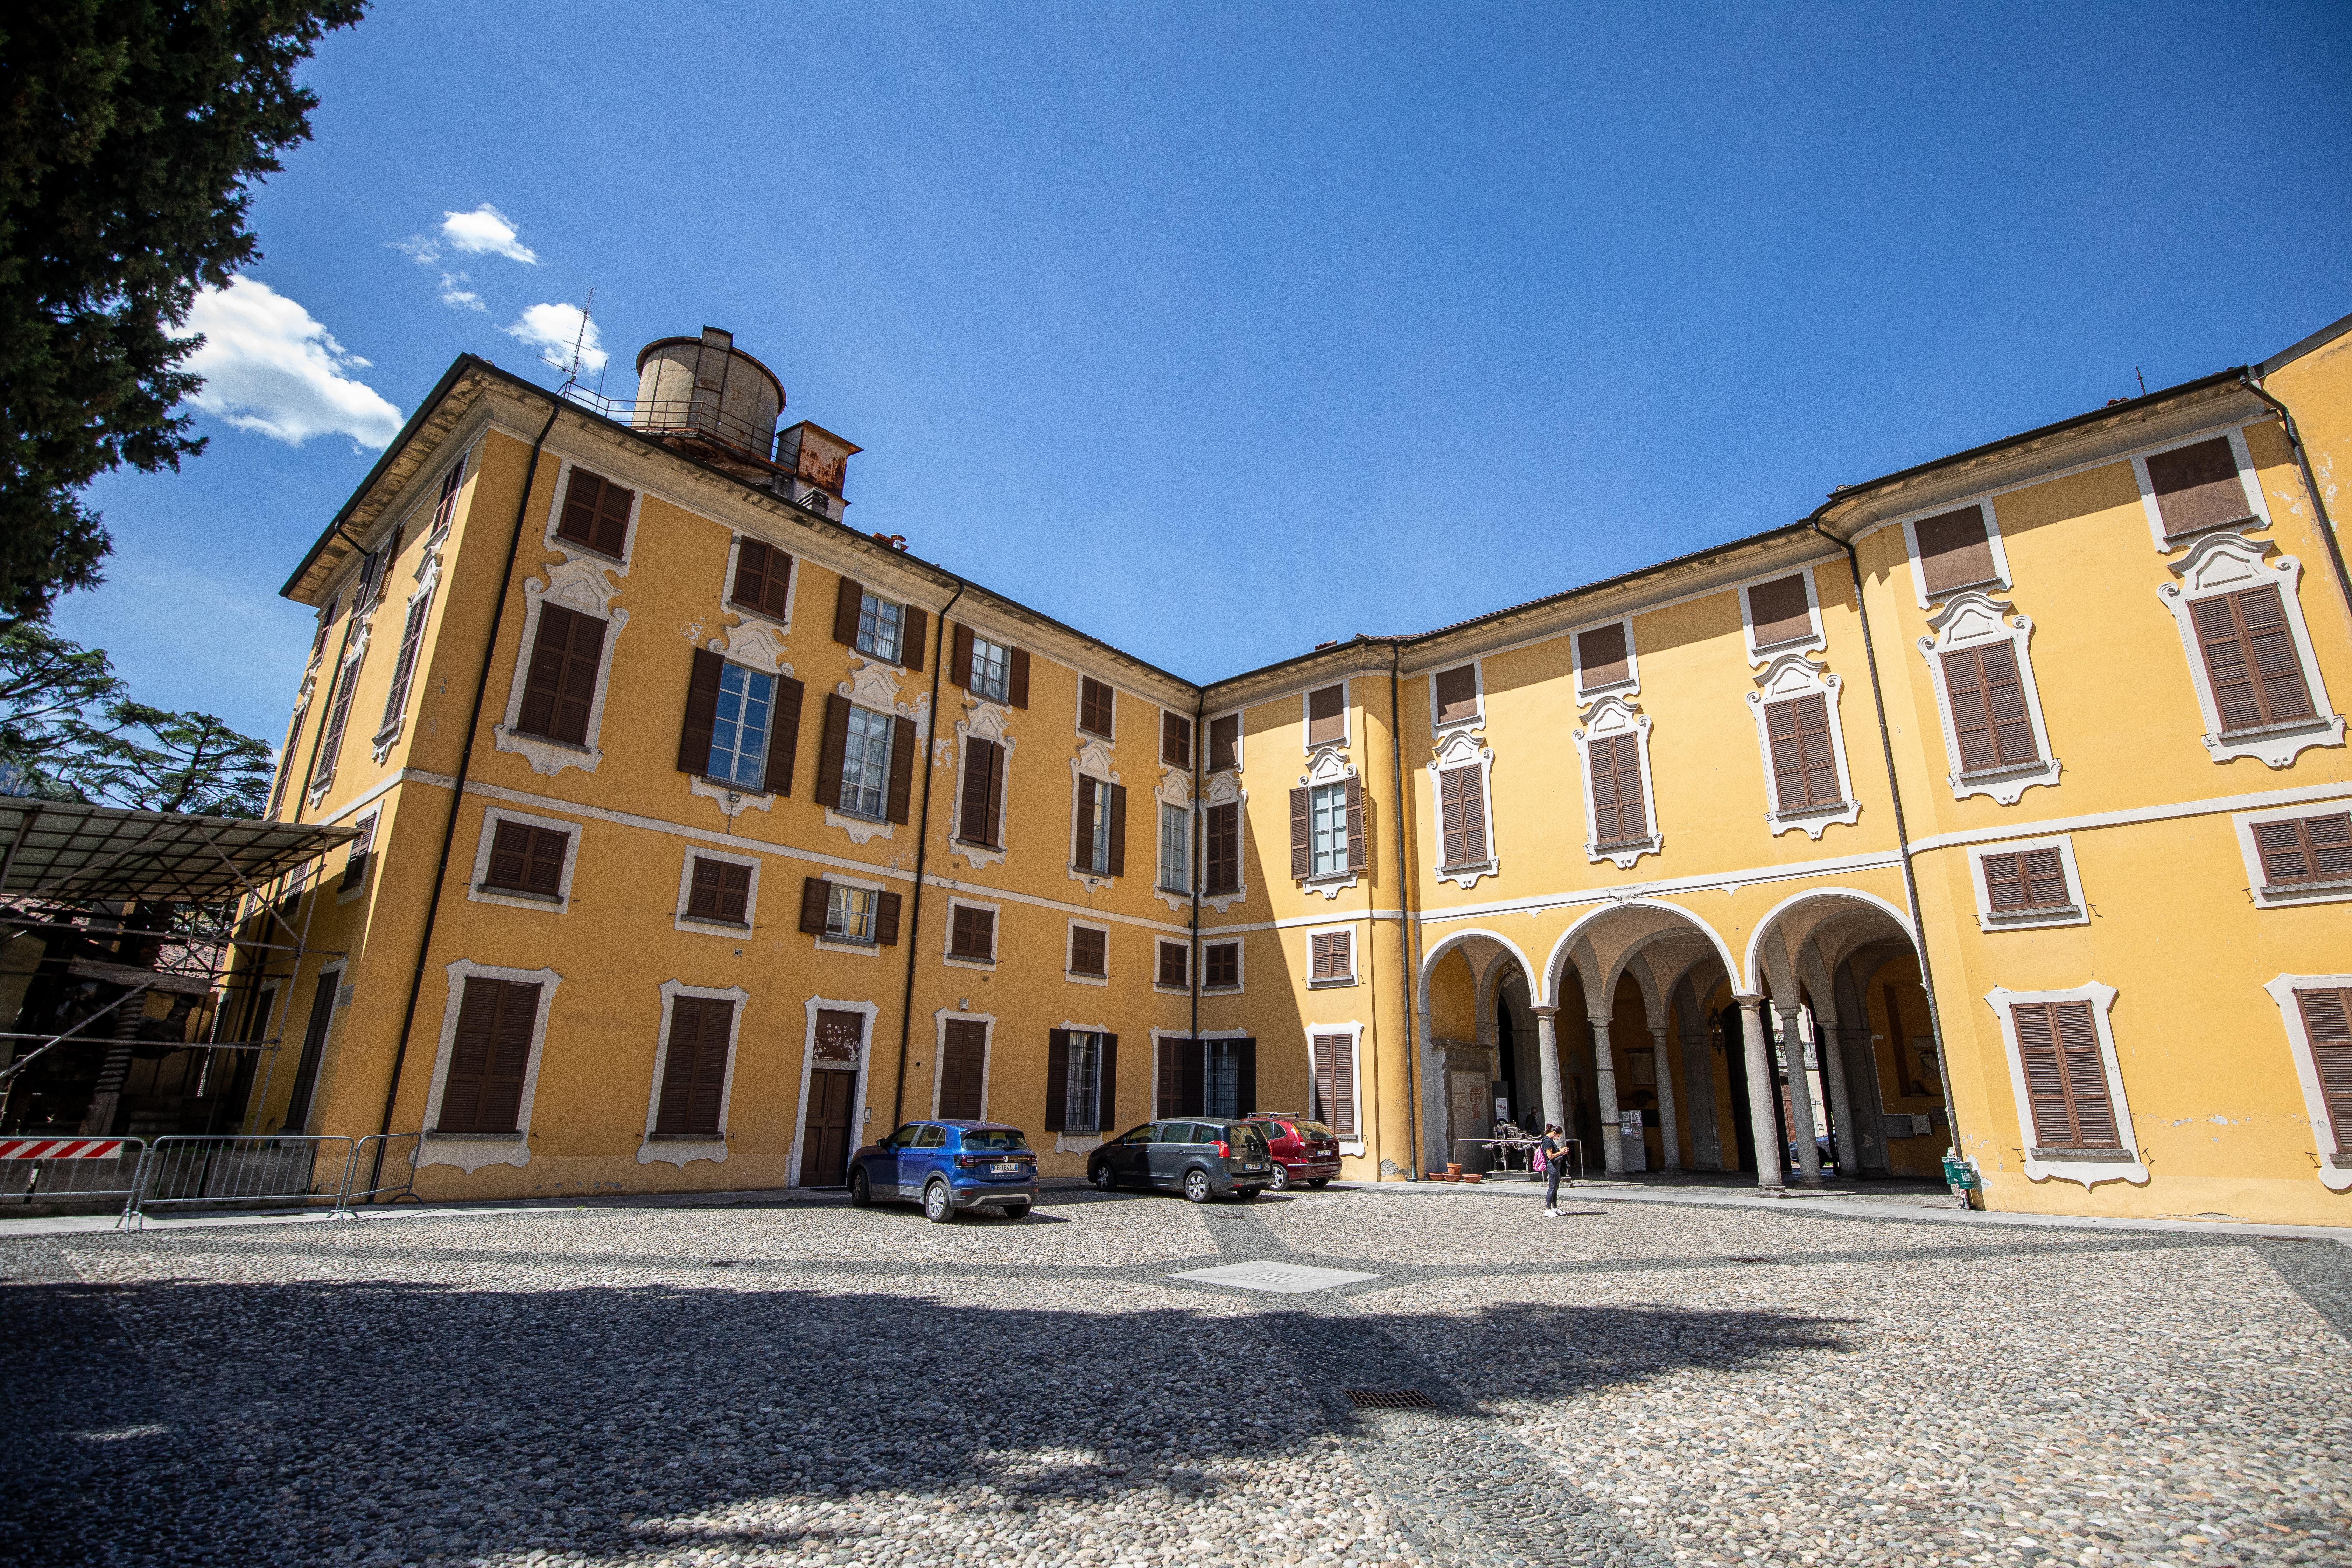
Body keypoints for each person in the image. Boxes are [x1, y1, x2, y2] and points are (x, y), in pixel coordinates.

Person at [1539, 1123, 1568, 1216]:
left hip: (1557, 1166)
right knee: (1552, 1188)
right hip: (1552, 1167)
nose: (1559, 1138)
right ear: (1554, 1133)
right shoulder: (1547, 1141)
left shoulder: (1550, 1140)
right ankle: (1548, 1209)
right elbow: (1550, 1156)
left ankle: (1555, 1207)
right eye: (1559, 1136)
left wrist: (1561, 1152)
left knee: (1556, 1188)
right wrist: (1561, 1152)